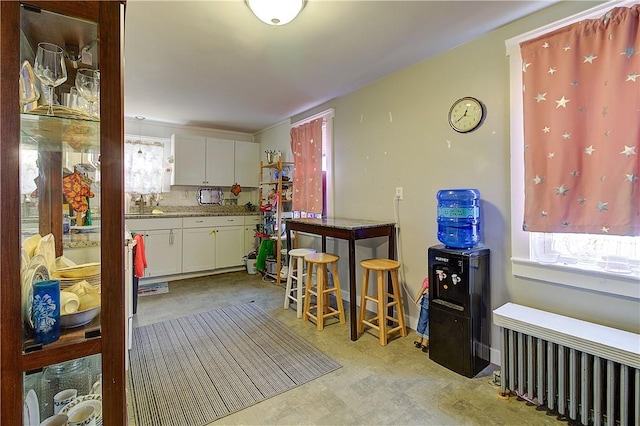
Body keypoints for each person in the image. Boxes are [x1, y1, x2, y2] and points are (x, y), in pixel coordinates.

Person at [413, 277, 429, 352]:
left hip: (434, 303)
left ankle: (425, 340)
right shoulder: (428, 280)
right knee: (422, 319)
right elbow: (422, 289)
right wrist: (416, 300)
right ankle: (419, 338)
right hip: (426, 301)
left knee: (430, 323)